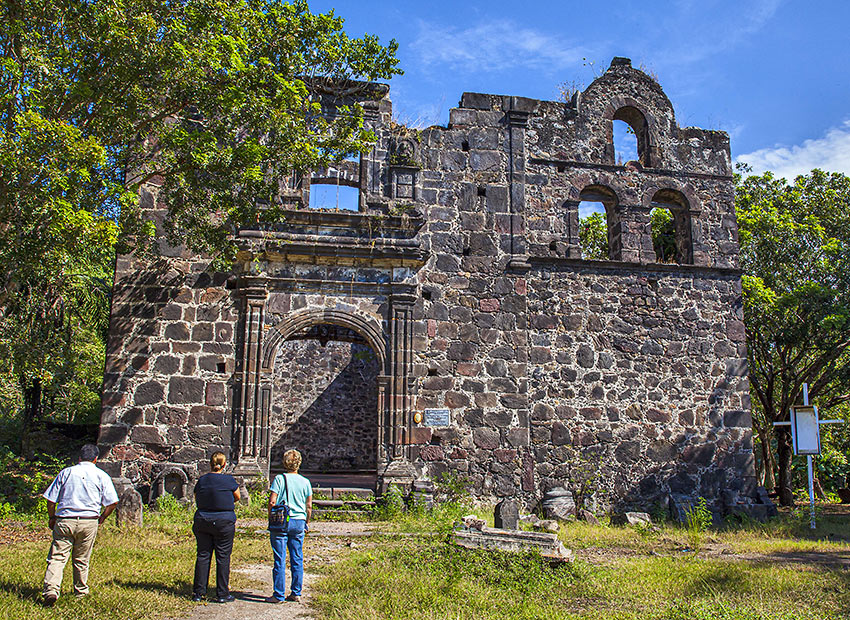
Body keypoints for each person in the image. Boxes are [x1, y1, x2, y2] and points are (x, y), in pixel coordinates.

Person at [41, 443, 119, 607]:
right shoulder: (101, 475)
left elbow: (50, 499)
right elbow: (112, 502)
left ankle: (51, 590)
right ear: (96, 459)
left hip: (65, 519)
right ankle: (80, 591)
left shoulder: (66, 473)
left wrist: (52, 517)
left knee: (57, 557)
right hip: (88, 520)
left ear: (79, 458)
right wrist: (103, 517)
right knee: (82, 559)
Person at [192, 451, 240, 603]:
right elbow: (237, 496)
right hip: (224, 521)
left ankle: (199, 593)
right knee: (223, 557)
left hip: (203, 520)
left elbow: (196, 495)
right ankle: (222, 593)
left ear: (210, 464)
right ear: (224, 465)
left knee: (203, 555)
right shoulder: (229, 480)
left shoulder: (202, 480)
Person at [266, 449, 312, 603]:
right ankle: (296, 592)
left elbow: (272, 501)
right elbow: (309, 506)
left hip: (282, 521)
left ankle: (278, 594)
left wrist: (270, 517)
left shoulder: (279, 479)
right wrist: (307, 522)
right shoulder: (306, 482)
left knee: (280, 558)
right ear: (299, 463)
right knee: (297, 557)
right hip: (299, 521)